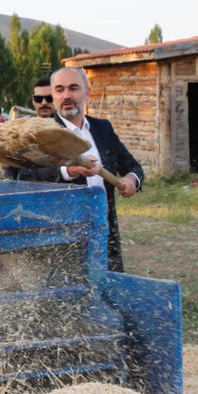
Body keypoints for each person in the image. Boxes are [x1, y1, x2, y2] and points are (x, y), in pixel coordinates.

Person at [51, 66, 144, 272]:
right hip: (61, 235)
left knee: (108, 287)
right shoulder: (44, 132)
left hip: (105, 229)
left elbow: (133, 166)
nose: (66, 95)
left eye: (73, 88)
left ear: (87, 93)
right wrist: (70, 171)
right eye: (59, 89)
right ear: (53, 95)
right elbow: (30, 174)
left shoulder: (103, 128)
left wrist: (131, 180)